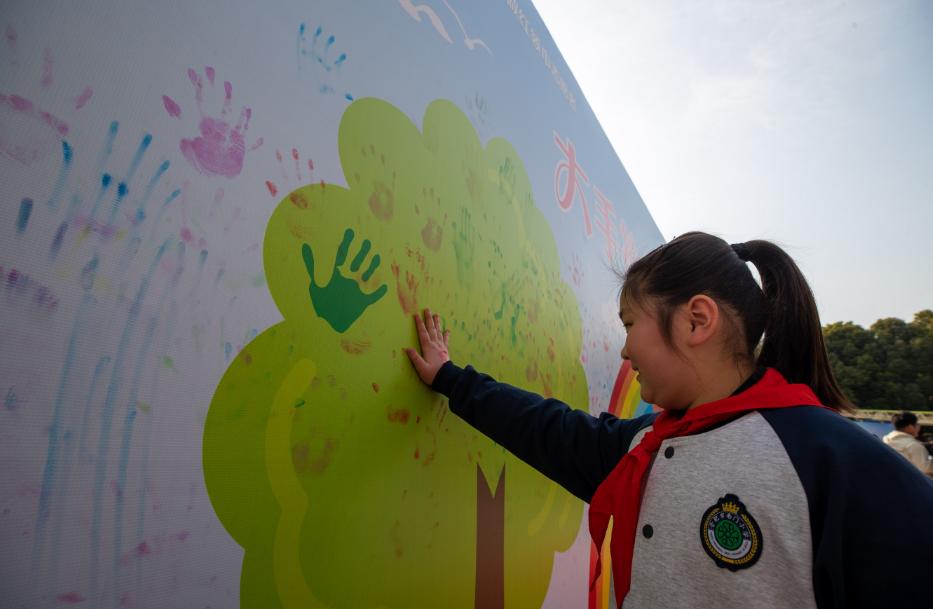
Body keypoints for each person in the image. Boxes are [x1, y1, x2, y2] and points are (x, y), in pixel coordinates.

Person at [404, 232, 933, 609]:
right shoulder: (647, 447)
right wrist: (451, 378)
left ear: (696, 320)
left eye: (631, 324)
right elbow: (547, 428)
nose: (626, 348)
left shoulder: (834, 462)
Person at [883, 411, 933, 475]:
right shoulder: (913, 446)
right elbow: (925, 468)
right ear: (910, 427)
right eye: (916, 424)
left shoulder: (886, 439)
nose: (919, 426)